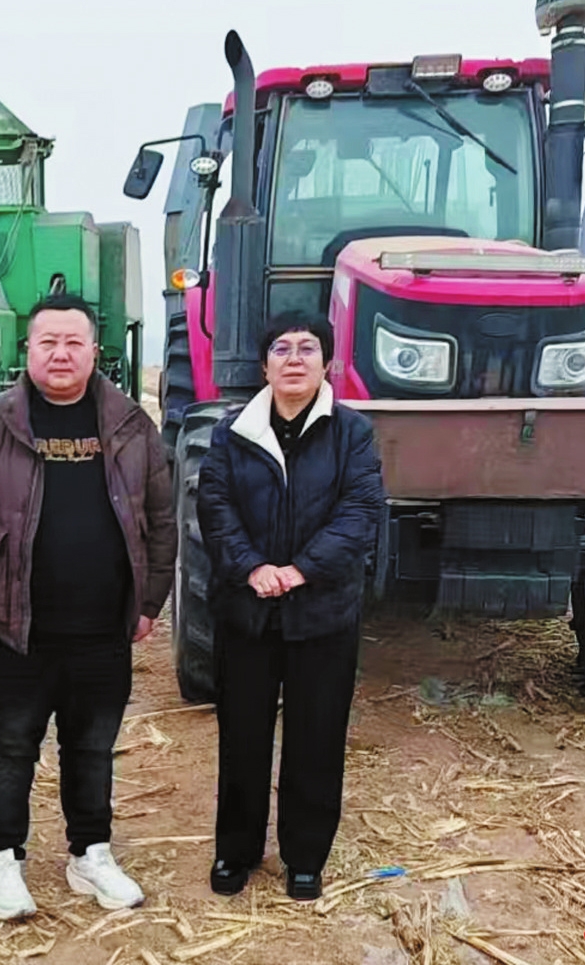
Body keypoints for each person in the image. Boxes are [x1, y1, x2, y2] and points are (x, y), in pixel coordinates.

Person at [0, 293, 176, 921]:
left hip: (103, 626)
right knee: (12, 745)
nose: (61, 354)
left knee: (92, 746)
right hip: (19, 626)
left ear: (95, 351)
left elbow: (160, 518)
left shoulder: (130, 424)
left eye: (73, 342)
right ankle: (1, 859)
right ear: (28, 349)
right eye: (48, 342)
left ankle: (89, 853)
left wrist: (149, 601)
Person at [194, 310, 385, 902]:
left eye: (307, 348)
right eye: (281, 348)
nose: (294, 358)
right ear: (264, 365)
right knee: (242, 735)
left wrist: (301, 570)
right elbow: (215, 507)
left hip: (322, 612)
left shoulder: (352, 433)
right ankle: (237, 850)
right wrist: (254, 568)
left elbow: (360, 512)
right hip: (247, 610)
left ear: (327, 363)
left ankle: (305, 856)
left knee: (317, 737)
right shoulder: (232, 433)